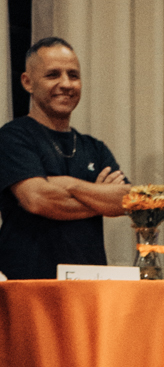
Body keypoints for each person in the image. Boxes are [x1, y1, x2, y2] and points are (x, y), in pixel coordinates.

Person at [0, 38, 129, 280]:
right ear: (27, 82)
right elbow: (37, 199)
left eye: (73, 75)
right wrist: (99, 196)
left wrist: (68, 184)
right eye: (52, 75)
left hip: (89, 283)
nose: (66, 84)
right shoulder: (12, 137)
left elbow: (126, 201)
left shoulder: (95, 147)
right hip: (29, 284)